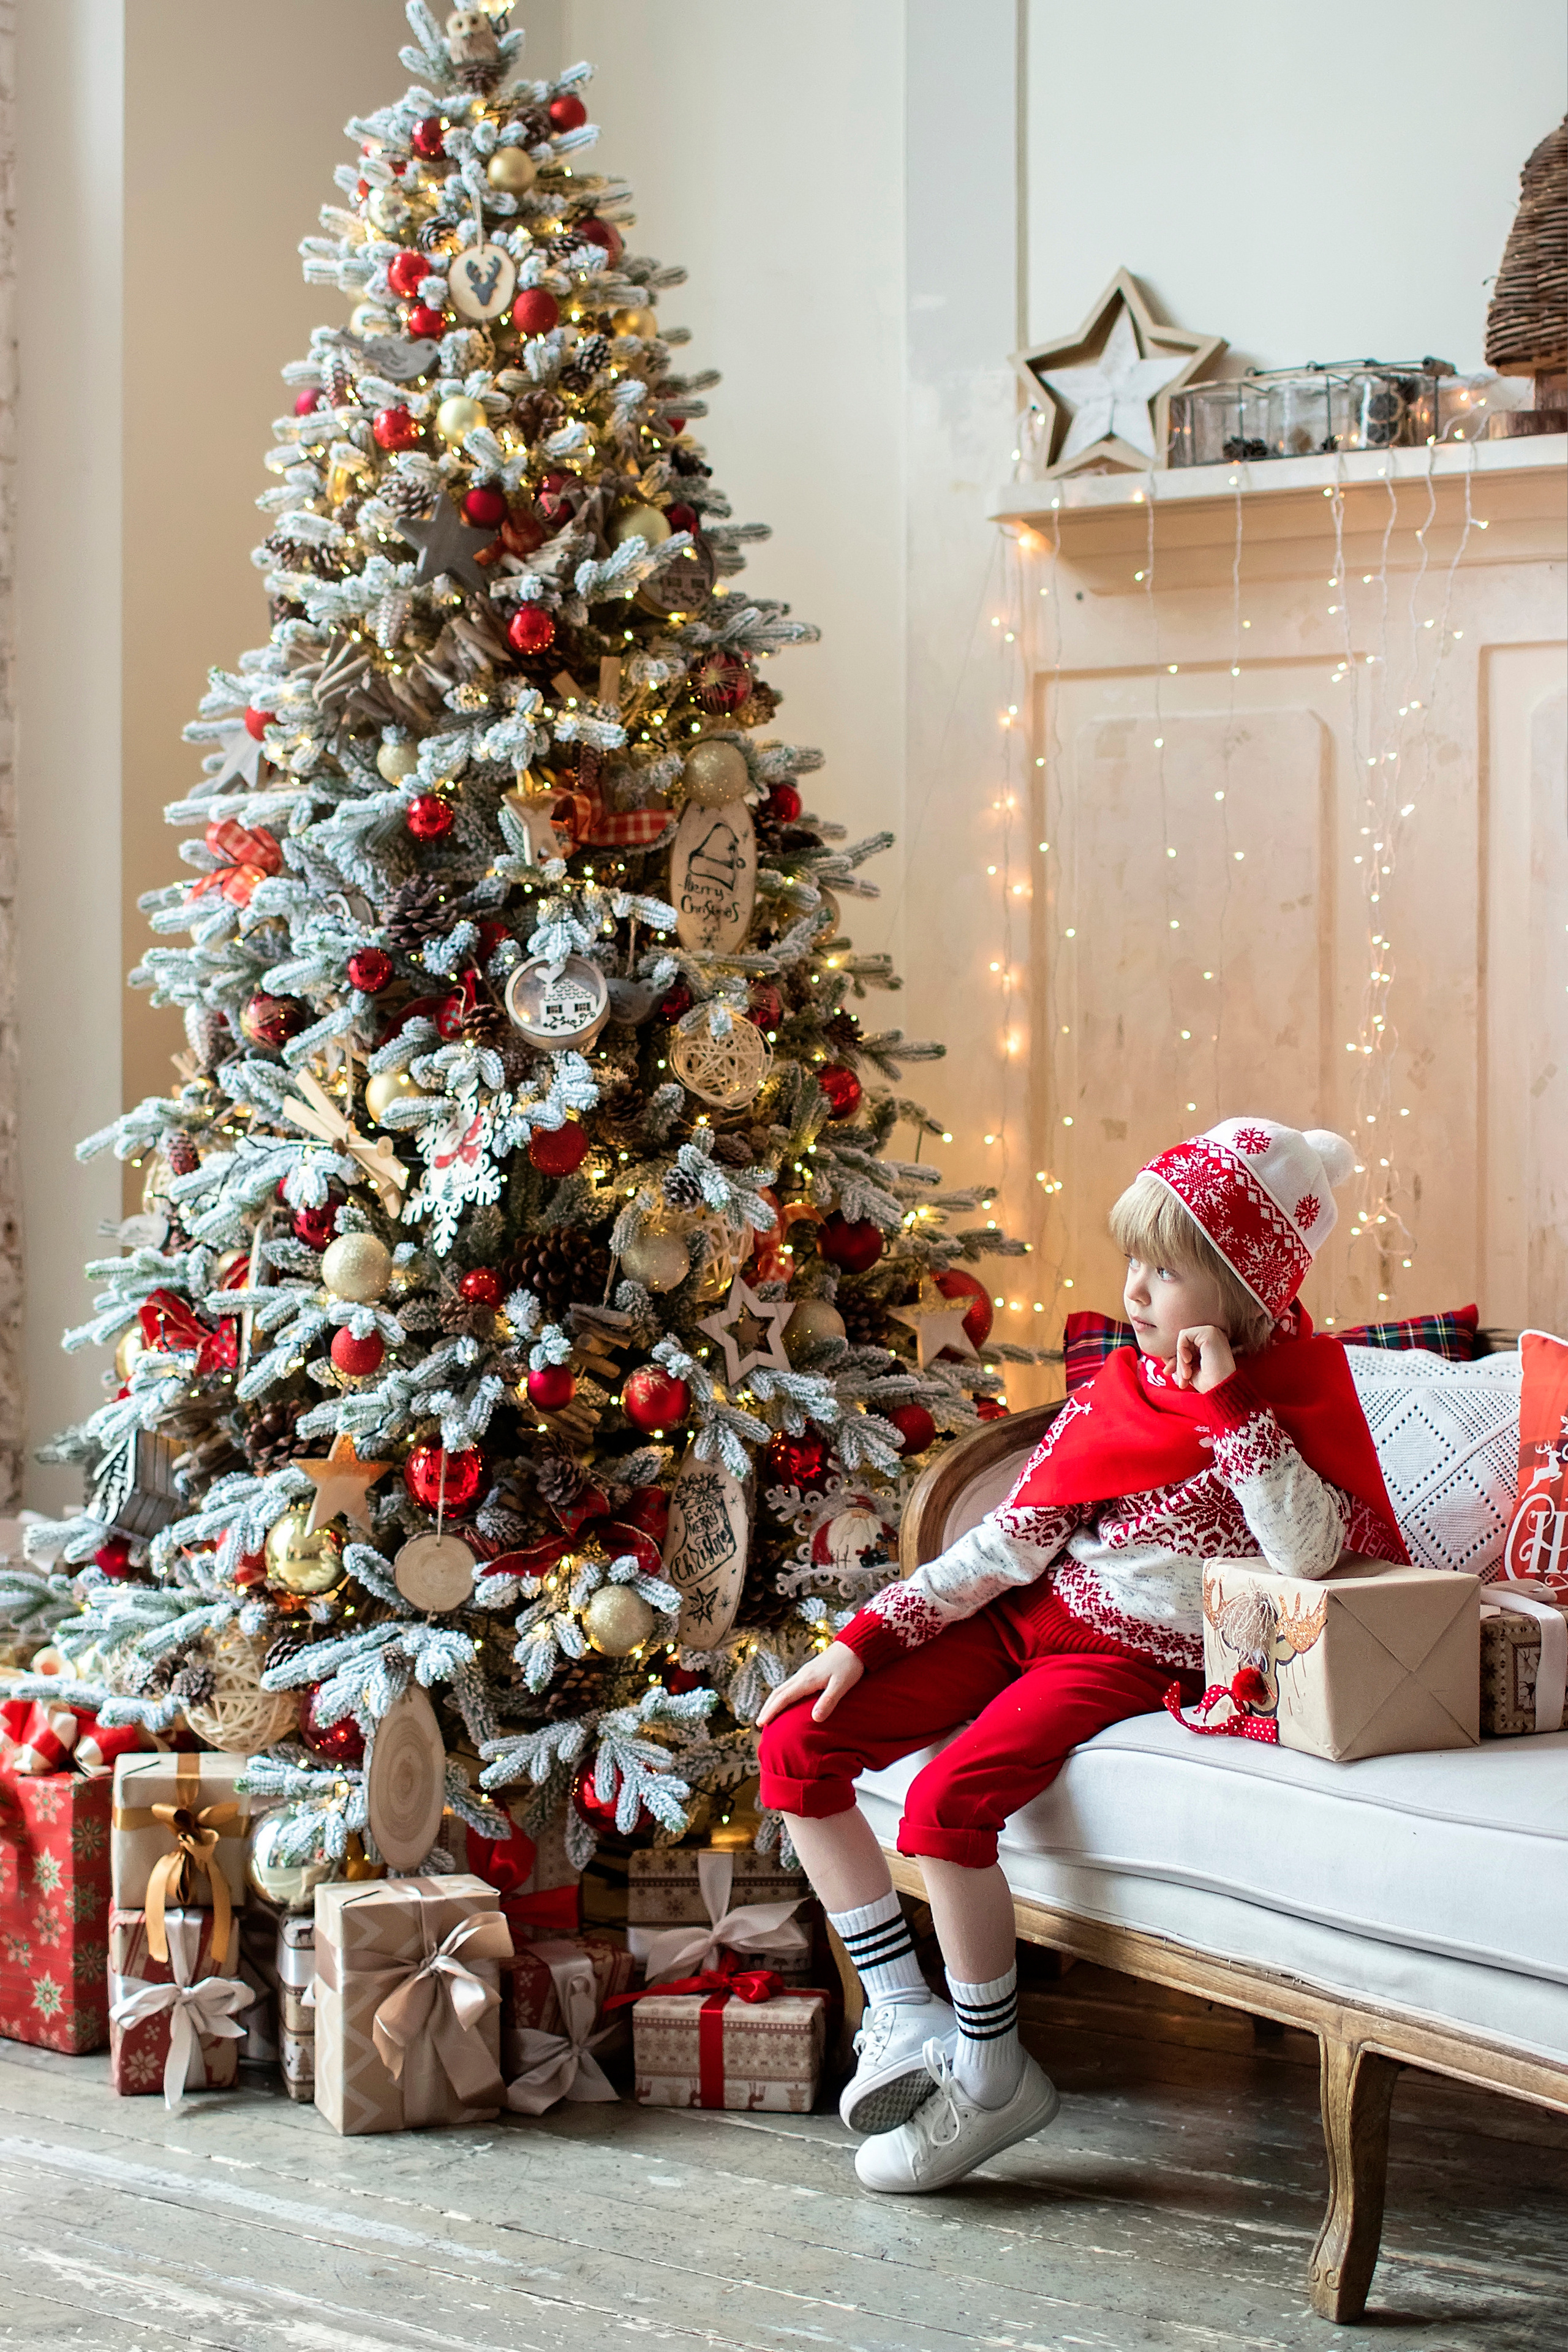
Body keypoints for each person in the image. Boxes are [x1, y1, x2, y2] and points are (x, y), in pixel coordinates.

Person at [757, 1117, 1408, 2193]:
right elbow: (1012, 1540)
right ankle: (907, 2014)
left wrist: (1231, 1410)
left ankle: (992, 2066)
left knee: (946, 1807)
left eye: (1168, 1270)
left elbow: (1311, 1554)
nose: (1137, 1291)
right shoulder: (1121, 1389)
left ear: (1244, 1291)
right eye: (1134, 1264)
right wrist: (867, 1640)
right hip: (1029, 1619)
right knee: (795, 1739)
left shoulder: (1287, 1394)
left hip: (1124, 1656)